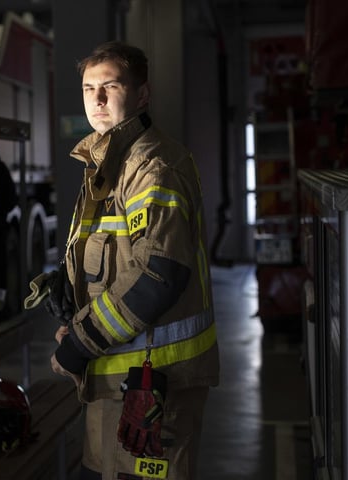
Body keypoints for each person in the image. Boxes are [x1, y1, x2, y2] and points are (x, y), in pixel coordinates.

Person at [45, 41, 220, 479]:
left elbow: (159, 274)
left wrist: (80, 342)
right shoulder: (108, 163)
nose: (97, 99)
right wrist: (66, 283)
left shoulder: (153, 165)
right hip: (113, 379)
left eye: (110, 86)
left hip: (155, 384)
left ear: (141, 95)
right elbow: (114, 255)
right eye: (89, 88)